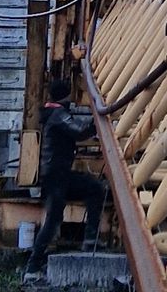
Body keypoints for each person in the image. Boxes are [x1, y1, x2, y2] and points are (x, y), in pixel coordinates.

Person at [25, 74, 106, 274]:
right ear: (65, 96)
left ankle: (90, 240)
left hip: (57, 175)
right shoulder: (58, 114)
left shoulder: (52, 113)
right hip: (57, 177)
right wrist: (98, 119)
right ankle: (33, 265)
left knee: (95, 189)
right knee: (53, 218)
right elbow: (78, 131)